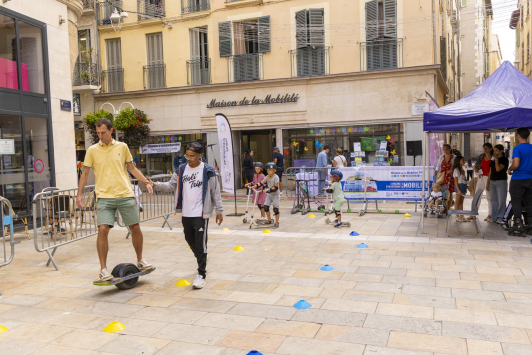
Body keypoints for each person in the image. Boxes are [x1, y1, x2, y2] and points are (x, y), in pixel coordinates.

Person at [76, 118, 154, 281]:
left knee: (135, 228)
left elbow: (132, 168)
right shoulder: (92, 150)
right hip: (104, 197)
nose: (100, 136)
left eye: (103, 132)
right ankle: (103, 270)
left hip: (125, 194)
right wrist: (79, 194)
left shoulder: (122, 147)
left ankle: (140, 260)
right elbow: (85, 173)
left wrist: (146, 182)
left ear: (111, 131)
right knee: (103, 230)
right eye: (98, 133)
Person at [149, 142, 223, 288]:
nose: (188, 159)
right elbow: (171, 186)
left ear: (199, 156)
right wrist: (155, 184)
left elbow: (215, 191)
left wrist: (219, 211)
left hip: (201, 213)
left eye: (192, 156)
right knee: (189, 239)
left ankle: (201, 274)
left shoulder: (208, 170)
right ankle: (202, 258)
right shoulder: (181, 169)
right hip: (187, 213)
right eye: (187, 156)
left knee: (201, 243)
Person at [507, 127, 532, 235]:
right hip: (530, 179)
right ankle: (530, 224)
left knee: (516, 201)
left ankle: (518, 224)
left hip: (518, 179)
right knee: (529, 202)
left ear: (518, 136)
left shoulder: (518, 149)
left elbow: (516, 164)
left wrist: (510, 169)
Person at [250, 162, 280, 229]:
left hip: (275, 195)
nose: (269, 171)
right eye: (268, 170)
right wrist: (254, 186)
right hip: (269, 195)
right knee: (265, 207)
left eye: (271, 170)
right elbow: (261, 183)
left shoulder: (276, 177)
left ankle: (277, 222)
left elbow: (276, 187)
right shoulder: (267, 177)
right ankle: (269, 220)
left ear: (274, 170)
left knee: (275, 209)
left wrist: (267, 190)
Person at [487, 144, 508, 224]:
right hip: (493, 181)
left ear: (501, 150)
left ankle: (500, 217)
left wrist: (496, 160)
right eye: (494, 150)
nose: (494, 152)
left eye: (496, 150)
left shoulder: (504, 159)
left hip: (501, 181)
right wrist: (488, 182)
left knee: (501, 199)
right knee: (493, 200)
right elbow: (490, 171)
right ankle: (494, 216)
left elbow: (498, 169)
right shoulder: (493, 159)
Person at [474, 143, 494, 221]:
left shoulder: (493, 157)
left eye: (487, 148)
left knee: (489, 196)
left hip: (489, 177)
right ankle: (474, 212)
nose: (485, 150)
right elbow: (476, 165)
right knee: (477, 194)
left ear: (490, 149)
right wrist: (476, 168)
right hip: (481, 176)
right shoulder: (482, 156)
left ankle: (490, 214)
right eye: (484, 148)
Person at [435, 144, 455, 211]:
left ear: (450, 149)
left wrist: (452, 170)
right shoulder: (441, 157)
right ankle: (444, 207)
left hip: (450, 177)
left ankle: (448, 208)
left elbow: (456, 167)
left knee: (449, 193)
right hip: (443, 177)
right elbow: (438, 166)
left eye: (446, 149)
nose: (445, 151)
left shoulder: (454, 157)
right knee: (442, 192)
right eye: (444, 149)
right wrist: (436, 170)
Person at [452, 156, 468, 222]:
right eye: (462, 161)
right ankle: (457, 215)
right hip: (459, 186)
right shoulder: (456, 170)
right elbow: (456, 181)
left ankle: (461, 215)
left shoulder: (461, 169)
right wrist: (458, 190)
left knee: (461, 202)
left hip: (463, 185)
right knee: (457, 202)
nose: (464, 162)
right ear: (458, 161)